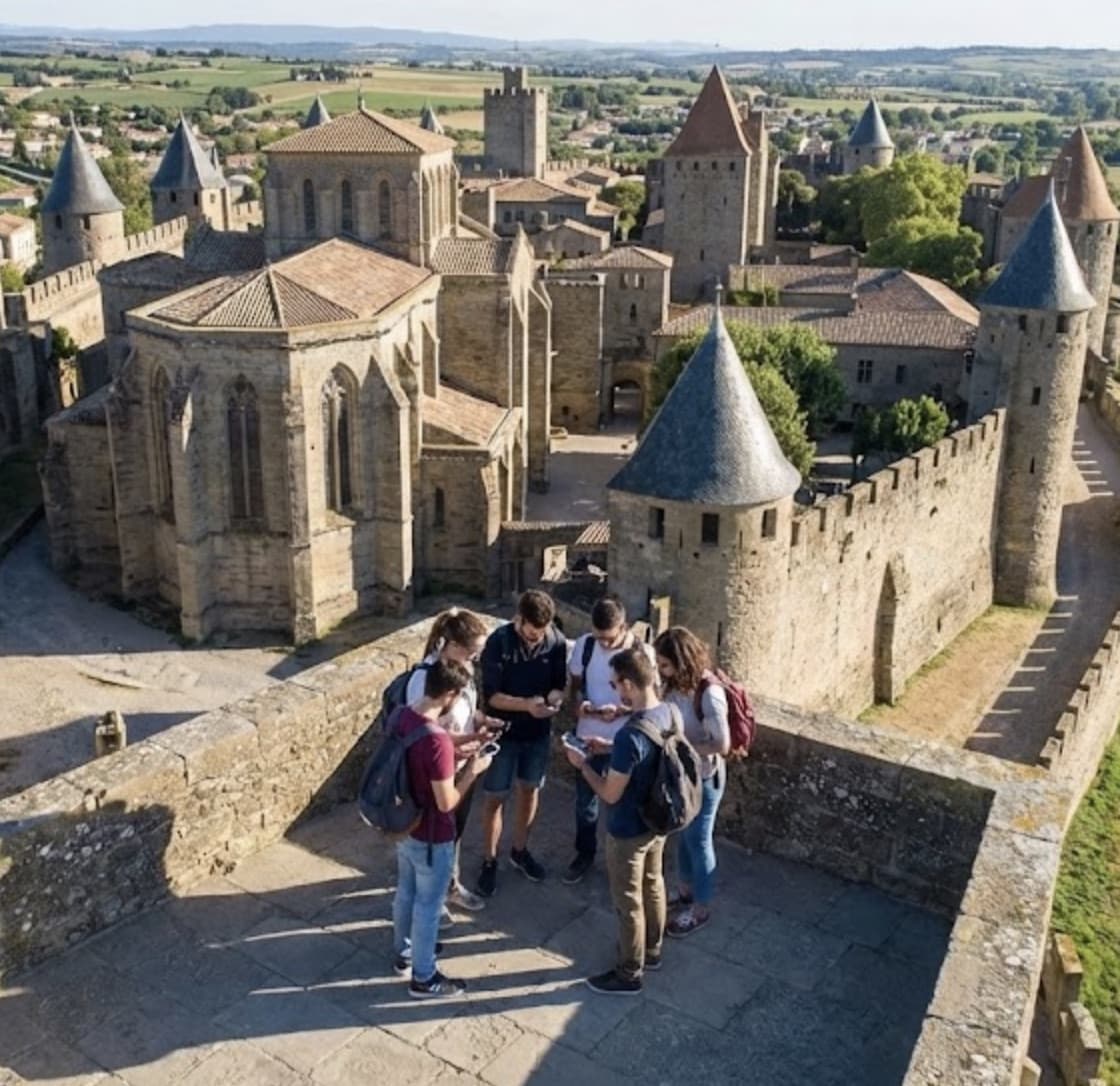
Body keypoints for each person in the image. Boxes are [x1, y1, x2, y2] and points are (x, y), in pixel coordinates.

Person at [564, 647, 677, 995]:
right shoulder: (669, 712)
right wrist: (609, 748)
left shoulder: (629, 736)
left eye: (616, 685)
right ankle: (653, 951)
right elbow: (648, 752)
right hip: (659, 818)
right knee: (654, 883)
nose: (615, 691)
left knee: (628, 900)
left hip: (629, 827)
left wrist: (582, 764)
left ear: (629, 684)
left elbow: (610, 793)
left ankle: (630, 971)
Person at [392, 659, 492, 999]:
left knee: (405, 892)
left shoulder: (403, 715)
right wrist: (472, 770)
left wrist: (463, 742)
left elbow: (431, 741)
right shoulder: (436, 743)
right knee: (429, 906)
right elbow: (447, 801)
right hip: (432, 835)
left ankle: (404, 954)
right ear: (449, 694)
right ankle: (424, 977)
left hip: (403, 824)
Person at [406, 608, 499, 914]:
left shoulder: (462, 673)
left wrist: (481, 723)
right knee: (433, 840)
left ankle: (449, 886)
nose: (475, 660)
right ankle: (431, 901)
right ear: (452, 646)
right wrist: (462, 751)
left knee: (452, 835)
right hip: (439, 775)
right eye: (472, 653)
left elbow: (464, 713)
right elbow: (422, 735)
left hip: (461, 766)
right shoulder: (425, 680)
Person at [476, 589, 568, 898]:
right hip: (504, 733)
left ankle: (520, 850)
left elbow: (558, 685)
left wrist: (554, 700)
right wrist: (527, 705)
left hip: (537, 733)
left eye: (540, 634)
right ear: (519, 620)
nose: (536, 640)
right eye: (531, 635)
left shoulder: (554, 642)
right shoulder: (498, 643)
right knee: (495, 798)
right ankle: (489, 860)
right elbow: (492, 697)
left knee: (530, 790)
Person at [562, 596, 655, 885]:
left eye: (609, 639)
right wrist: (582, 705)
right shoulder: (584, 646)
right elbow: (575, 687)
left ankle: (622, 863)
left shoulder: (642, 654)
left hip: (625, 742)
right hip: (588, 736)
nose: (602, 644)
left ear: (624, 627)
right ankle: (585, 854)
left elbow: (652, 703)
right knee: (585, 803)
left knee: (624, 805)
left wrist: (621, 711)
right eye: (598, 637)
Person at [653, 627, 731, 937]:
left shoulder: (709, 694)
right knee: (683, 834)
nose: (660, 670)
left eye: (665, 664)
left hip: (705, 777)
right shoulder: (674, 686)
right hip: (683, 775)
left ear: (681, 661)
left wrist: (681, 748)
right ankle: (685, 892)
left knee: (699, 840)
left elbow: (721, 744)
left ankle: (701, 907)